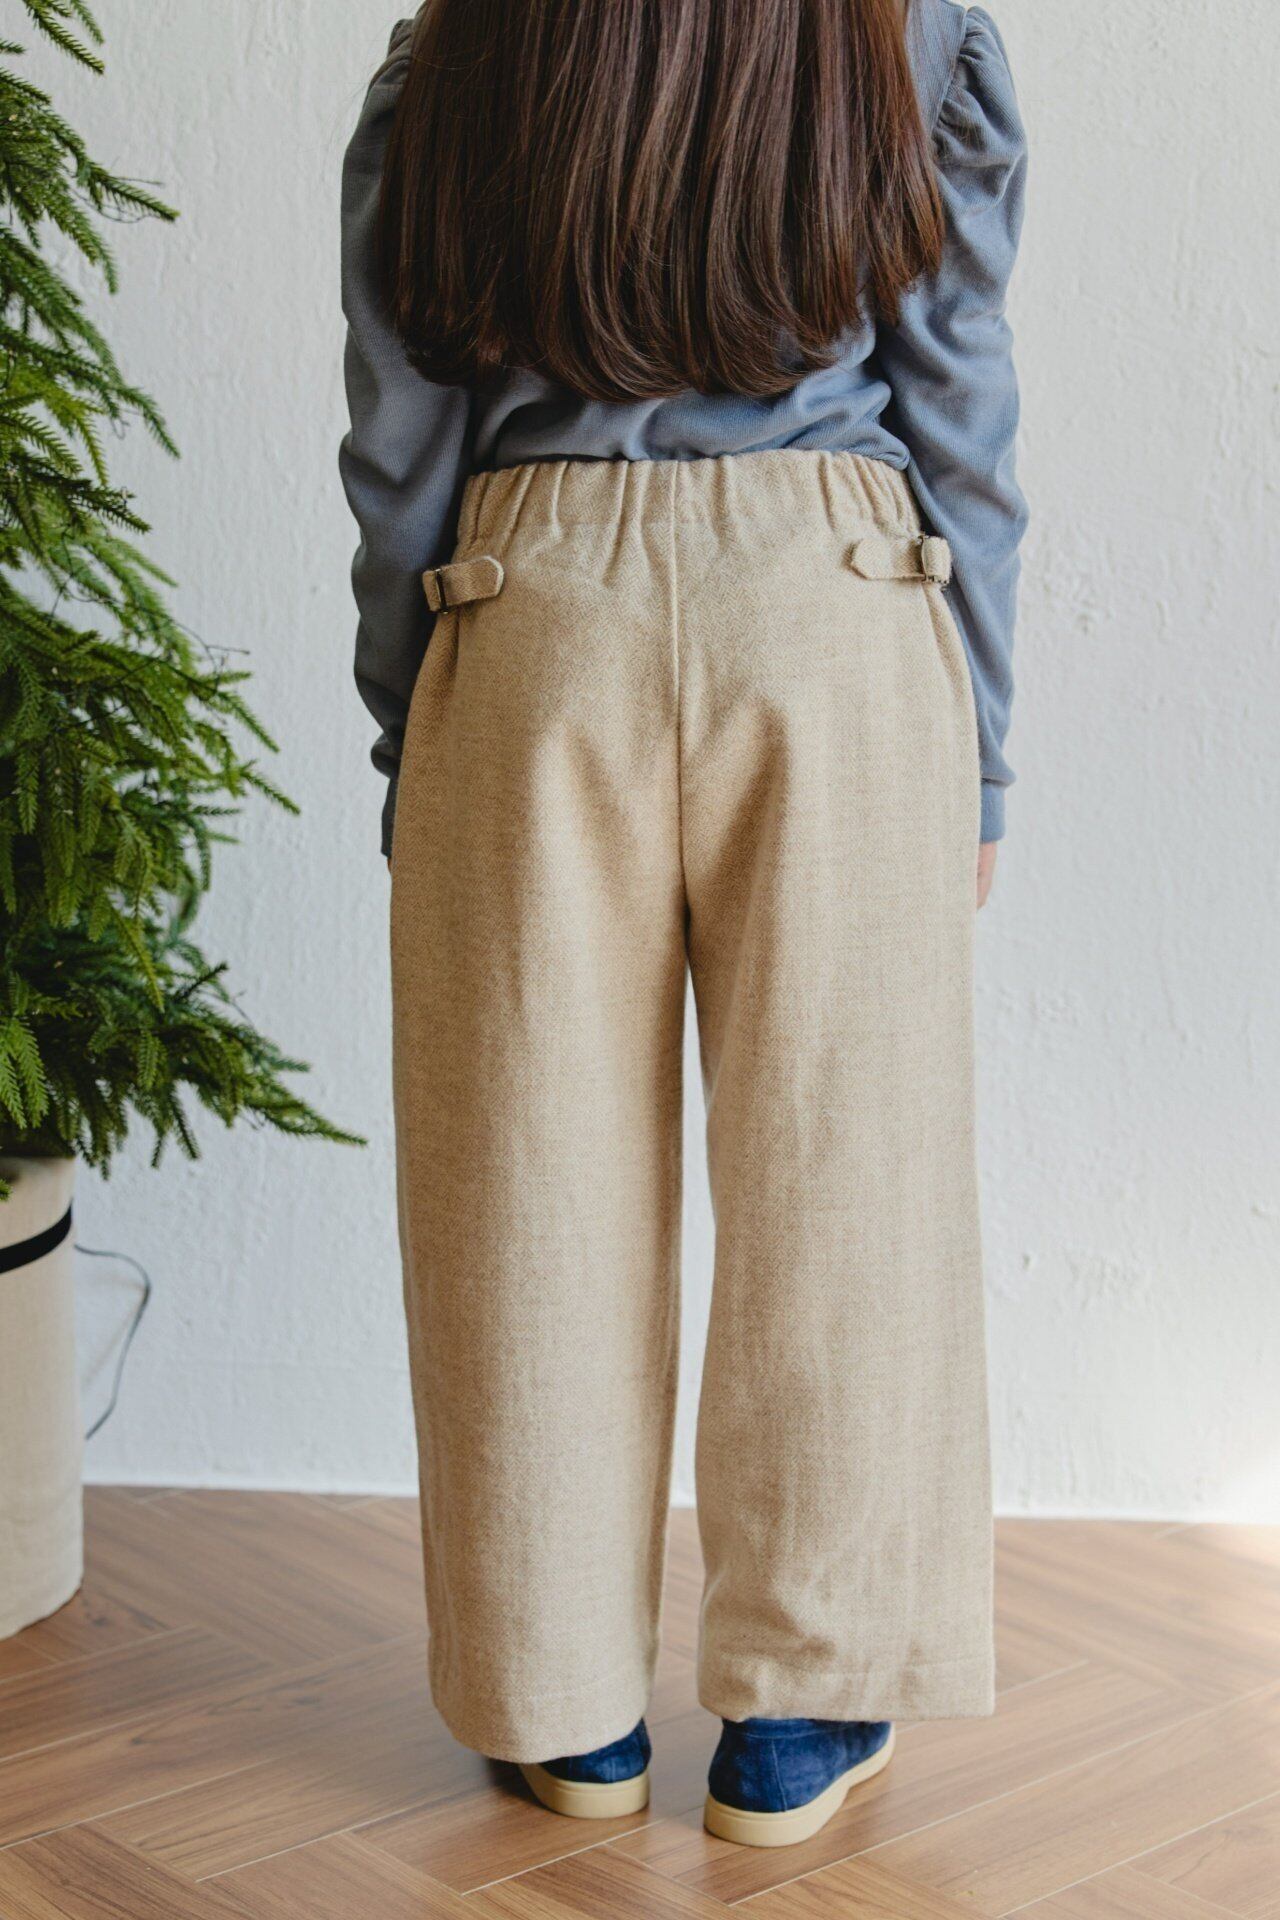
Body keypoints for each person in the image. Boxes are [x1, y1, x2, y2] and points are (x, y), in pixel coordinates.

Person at [340, 0, 1026, 1849]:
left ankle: (559, 1704)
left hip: (533, 605)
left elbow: (399, 439)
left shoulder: (455, 48)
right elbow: (958, 394)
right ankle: (801, 1713)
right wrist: (980, 746)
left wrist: (418, 732)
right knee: (846, 1173)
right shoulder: (915, 34)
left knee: (523, 1173)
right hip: (835, 602)